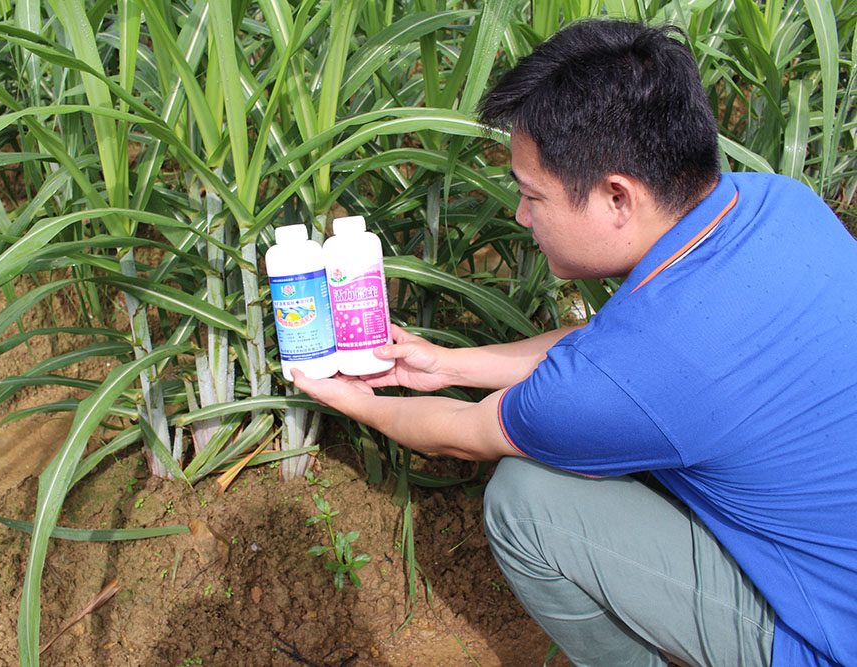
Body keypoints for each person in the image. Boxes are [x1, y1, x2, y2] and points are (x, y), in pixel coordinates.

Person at [293, 18, 857, 667]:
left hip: (830, 645)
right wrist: (447, 361)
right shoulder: (775, 203)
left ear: (617, 196)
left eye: (533, 195)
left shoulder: (623, 383)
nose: (520, 215)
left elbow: (461, 431)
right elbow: (620, 345)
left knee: (525, 502)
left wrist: (350, 396)